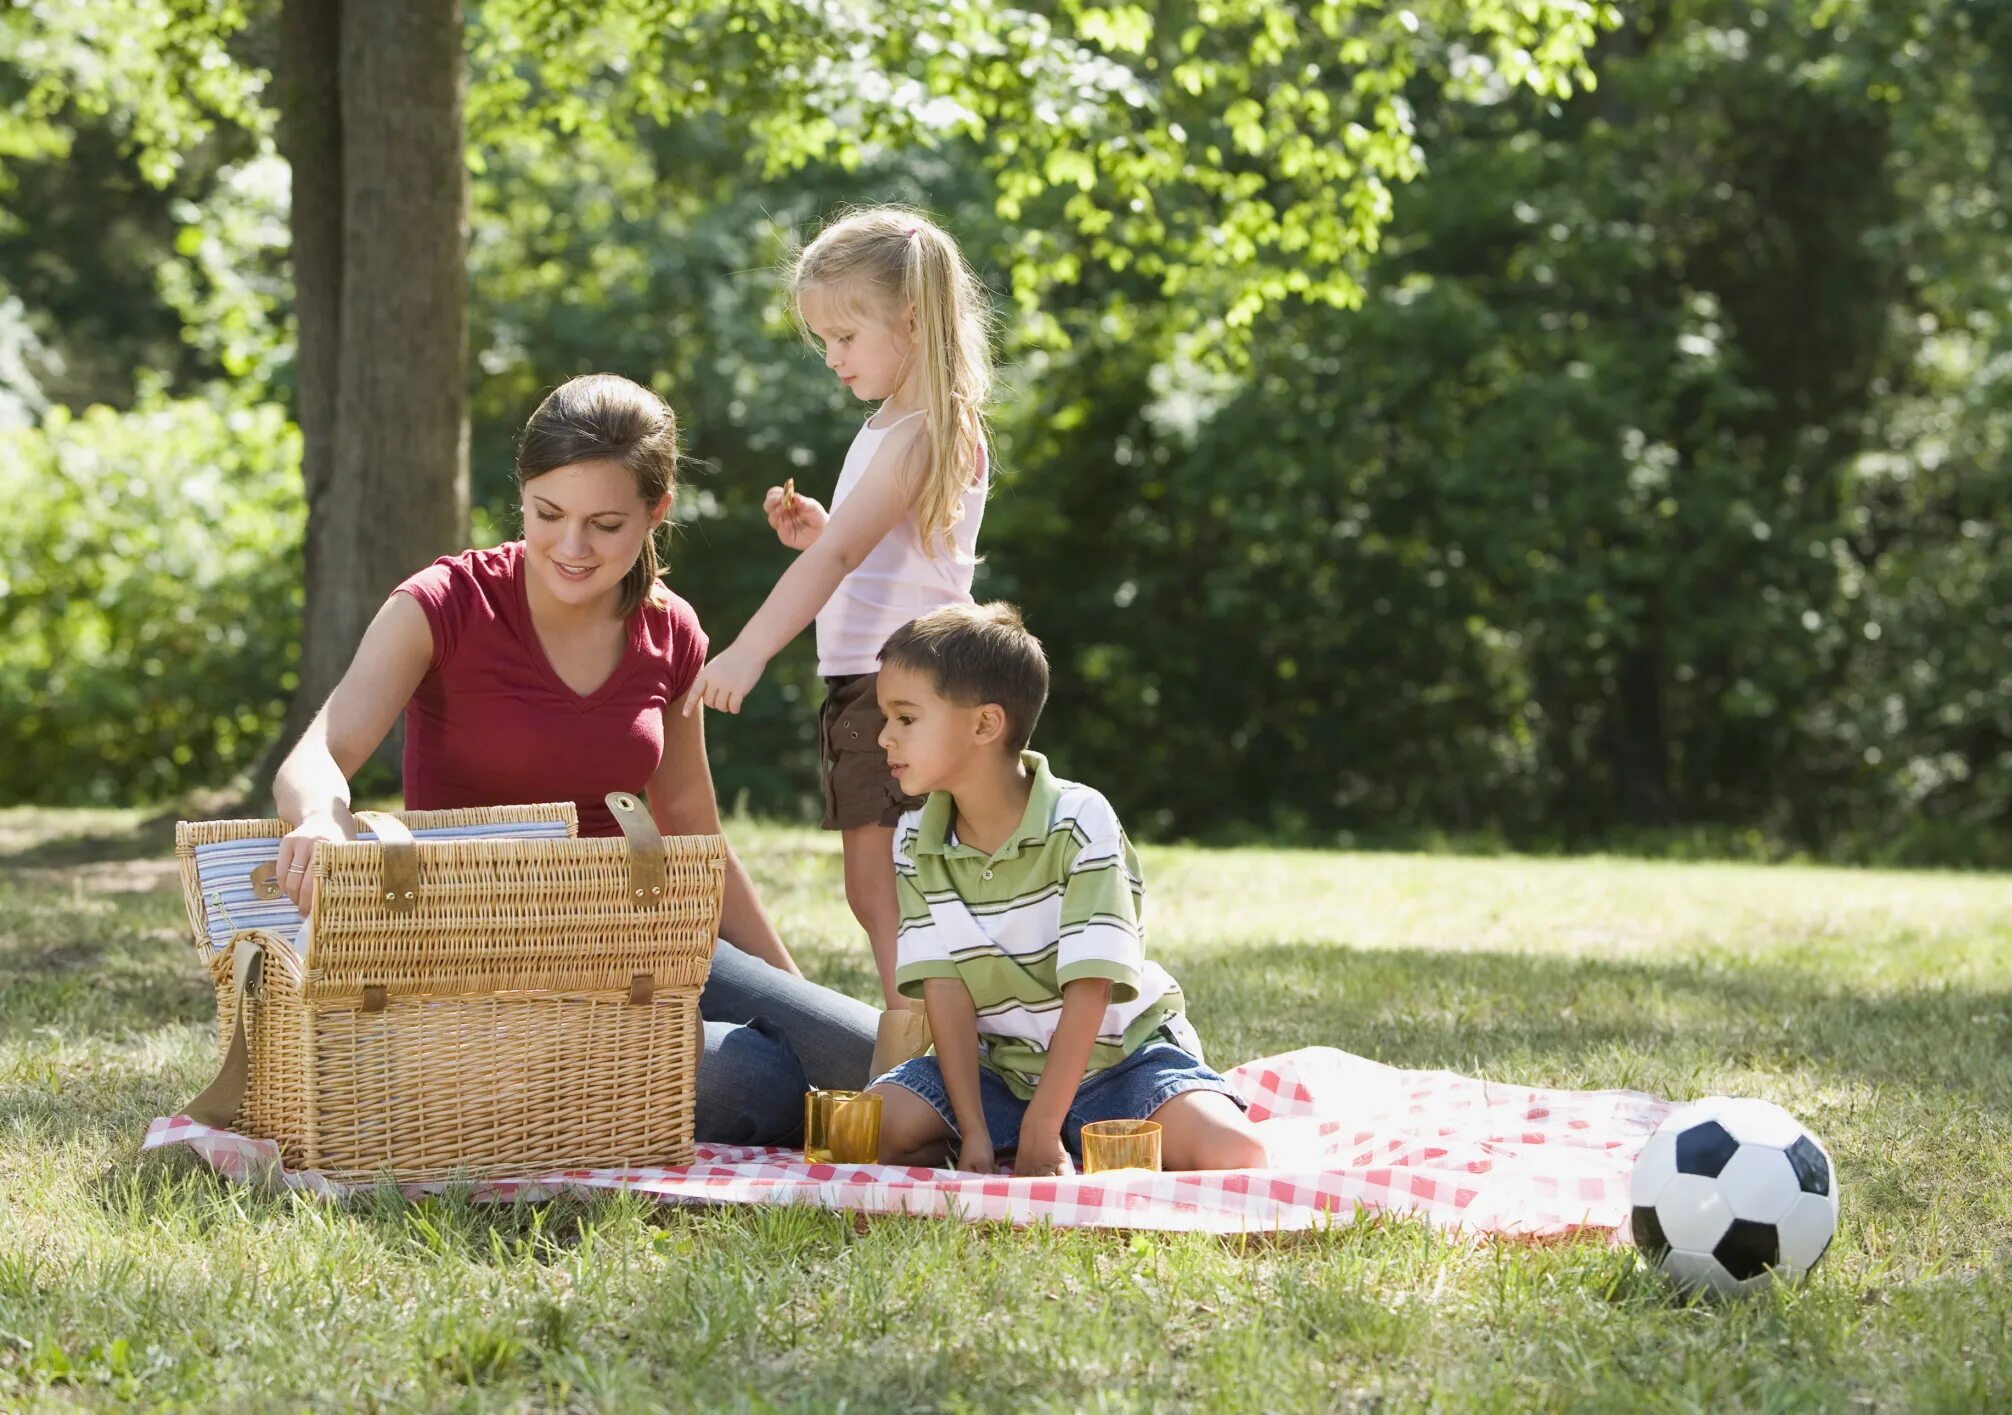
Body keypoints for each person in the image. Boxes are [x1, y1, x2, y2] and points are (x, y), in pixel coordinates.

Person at [269, 373, 878, 1145]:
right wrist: (322, 819)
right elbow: (318, 752)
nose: (571, 546)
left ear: (658, 512)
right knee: (745, 1079)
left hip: (635, 935)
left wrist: (790, 998)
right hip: (484, 955)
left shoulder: (672, 632)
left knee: (873, 1053)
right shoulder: (444, 603)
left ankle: (1058, 1125)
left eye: (606, 523)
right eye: (547, 514)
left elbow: (692, 827)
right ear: (521, 492)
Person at [680, 206, 994, 1014]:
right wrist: (823, 530)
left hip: (899, 687)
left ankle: (919, 1041)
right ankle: (930, 1034)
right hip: (903, 680)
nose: (832, 358)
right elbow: (880, 554)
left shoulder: (917, 433)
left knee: (886, 884)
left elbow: (844, 558)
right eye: (824, 340)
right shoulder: (897, 427)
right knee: (894, 881)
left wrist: (747, 651)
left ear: (912, 321)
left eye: (846, 338)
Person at [861, 603, 1268, 1176]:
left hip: (1121, 1062)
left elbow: (1092, 983)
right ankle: (1052, 1140)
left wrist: (1042, 1126)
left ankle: (1066, 1133)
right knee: (870, 1127)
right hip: (999, 1072)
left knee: (1237, 1155)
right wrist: (974, 1131)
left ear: (985, 724)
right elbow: (945, 992)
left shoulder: (1079, 820)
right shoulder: (913, 839)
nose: (884, 737)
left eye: (905, 718)